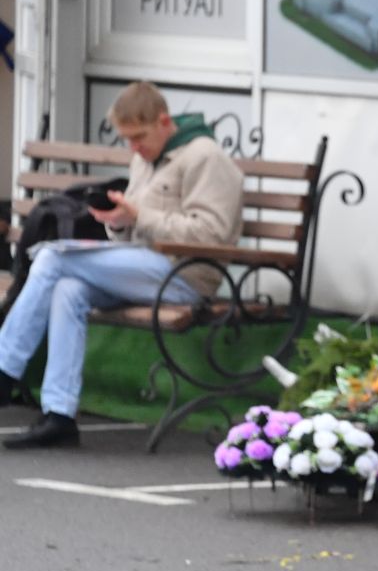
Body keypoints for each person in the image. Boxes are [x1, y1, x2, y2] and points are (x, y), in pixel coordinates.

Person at [0, 82, 243, 449]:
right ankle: (59, 415)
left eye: (139, 137)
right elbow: (130, 237)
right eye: (126, 139)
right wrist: (117, 221)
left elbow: (212, 235)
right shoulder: (145, 159)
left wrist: (140, 215)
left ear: (164, 122)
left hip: (186, 275)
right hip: (145, 269)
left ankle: (4, 370)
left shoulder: (205, 157)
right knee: (69, 289)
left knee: (52, 257)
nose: (133, 148)